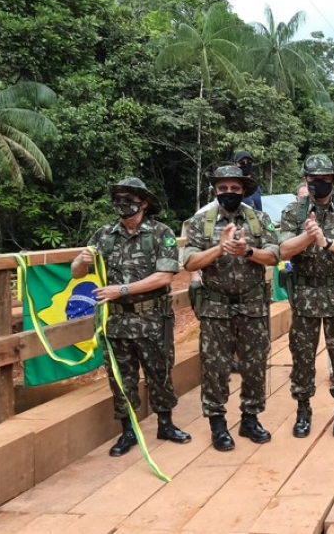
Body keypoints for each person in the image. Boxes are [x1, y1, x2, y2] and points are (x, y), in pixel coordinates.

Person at [71, 177, 191, 456]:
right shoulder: (103, 235)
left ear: (143, 203)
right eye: (119, 199)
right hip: (115, 322)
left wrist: (121, 289)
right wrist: (80, 261)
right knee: (120, 378)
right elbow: (77, 272)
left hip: (151, 319)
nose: (122, 204)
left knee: (159, 372)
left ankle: (165, 423)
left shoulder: (161, 233)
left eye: (129, 199)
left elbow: (164, 276)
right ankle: (128, 432)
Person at [181, 165, 279, 451]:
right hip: (215, 308)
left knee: (255, 365)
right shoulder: (201, 223)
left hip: (252, 306)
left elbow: (275, 255)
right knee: (215, 367)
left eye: (234, 189)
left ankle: (250, 419)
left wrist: (248, 251)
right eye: (223, 189)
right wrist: (219, 249)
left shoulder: (260, 220)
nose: (228, 193)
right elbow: (188, 262)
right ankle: (218, 424)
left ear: (244, 190)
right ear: (215, 190)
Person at [279, 154, 334, 439]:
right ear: (306, 179)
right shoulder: (294, 211)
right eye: (314, 179)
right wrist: (307, 237)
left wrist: (327, 242)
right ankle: (303, 410)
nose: (319, 184)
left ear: (333, 180)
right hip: (304, 296)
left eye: (325, 179)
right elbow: (282, 250)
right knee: (302, 356)